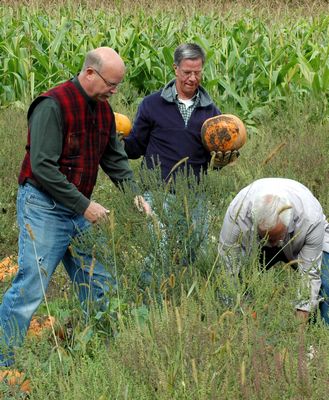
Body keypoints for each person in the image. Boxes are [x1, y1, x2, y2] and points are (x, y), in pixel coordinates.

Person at [0, 47, 150, 367]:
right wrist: (85, 206)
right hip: (43, 207)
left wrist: (133, 194)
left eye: (118, 85)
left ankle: (94, 354)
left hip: (77, 210)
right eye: (111, 83)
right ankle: (5, 363)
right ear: (90, 73)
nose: (115, 90)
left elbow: (114, 159)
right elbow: (42, 166)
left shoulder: (104, 110)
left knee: (99, 283)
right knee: (30, 287)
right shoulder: (52, 105)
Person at [123, 43, 238, 267]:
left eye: (197, 72)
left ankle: (186, 298)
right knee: (158, 254)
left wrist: (223, 160)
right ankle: (151, 299)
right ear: (175, 69)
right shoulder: (151, 104)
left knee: (197, 253)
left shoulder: (212, 113)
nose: (192, 78)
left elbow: (212, 160)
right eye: (187, 72)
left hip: (196, 196)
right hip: (158, 193)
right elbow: (135, 148)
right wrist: (115, 140)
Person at [218, 177, 329, 324]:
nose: (273, 244)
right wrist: (244, 316)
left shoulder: (311, 217)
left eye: (277, 237)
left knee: (325, 282)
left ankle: (319, 333)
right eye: (268, 238)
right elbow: (228, 270)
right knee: (236, 283)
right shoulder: (238, 213)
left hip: (301, 241)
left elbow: (309, 276)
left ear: (288, 222)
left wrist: (299, 333)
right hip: (255, 246)